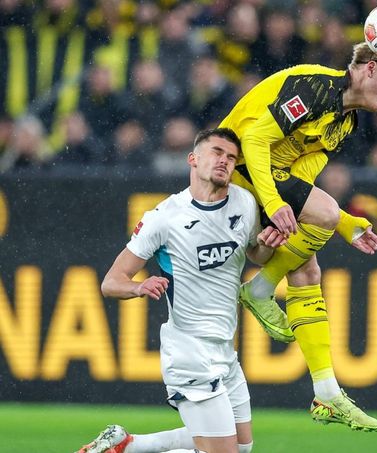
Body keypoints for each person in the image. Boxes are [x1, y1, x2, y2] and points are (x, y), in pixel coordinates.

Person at [218, 42, 377, 432]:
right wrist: (276, 204)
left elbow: (301, 177)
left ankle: (327, 392)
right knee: (323, 214)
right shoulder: (315, 88)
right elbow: (253, 140)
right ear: (370, 69)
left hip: (262, 180)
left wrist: (339, 222)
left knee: (307, 271)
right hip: (231, 168)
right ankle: (260, 289)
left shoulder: (346, 123)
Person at [77, 128, 286, 453]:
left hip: (225, 350)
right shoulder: (165, 217)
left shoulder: (244, 202)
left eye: (231, 157)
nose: (224, 161)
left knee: (241, 446)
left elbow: (255, 254)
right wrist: (138, 286)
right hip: (189, 352)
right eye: (217, 152)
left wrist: (267, 245)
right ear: (193, 159)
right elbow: (111, 282)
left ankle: (127, 447)